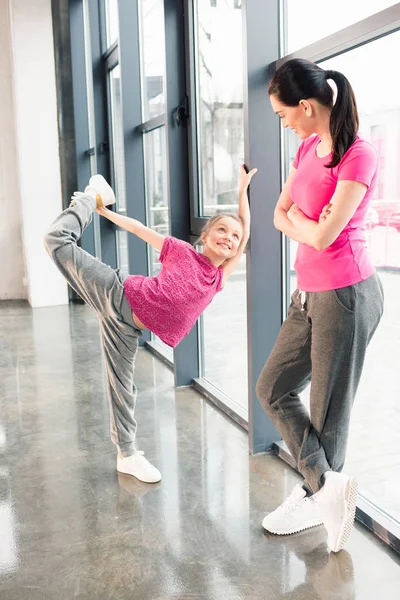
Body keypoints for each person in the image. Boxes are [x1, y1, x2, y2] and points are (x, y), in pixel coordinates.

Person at [44, 166, 256, 484]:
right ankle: (89, 196)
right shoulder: (181, 251)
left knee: (123, 389)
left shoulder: (217, 279)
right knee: (56, 241)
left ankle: (127, 455)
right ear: (206, 236)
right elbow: (138, 228)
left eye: (234, 236)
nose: (229, 238)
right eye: (222, 230)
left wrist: (242, 193)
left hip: (126, 328)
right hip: (117, 291)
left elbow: (246, 233)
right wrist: (102, 210)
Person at [256, 58, 384, 552]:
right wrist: (312, 226)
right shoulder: (310, 146)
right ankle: (327, 489)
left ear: (306, 106)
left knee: (328, 413)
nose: (285, 124)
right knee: (272, 388)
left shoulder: (357, 154)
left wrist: (307, 226)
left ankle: (317, 500)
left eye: (284, 115)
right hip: (307, 291)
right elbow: (278, 213)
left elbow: (326, 232)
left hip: (346, 295)